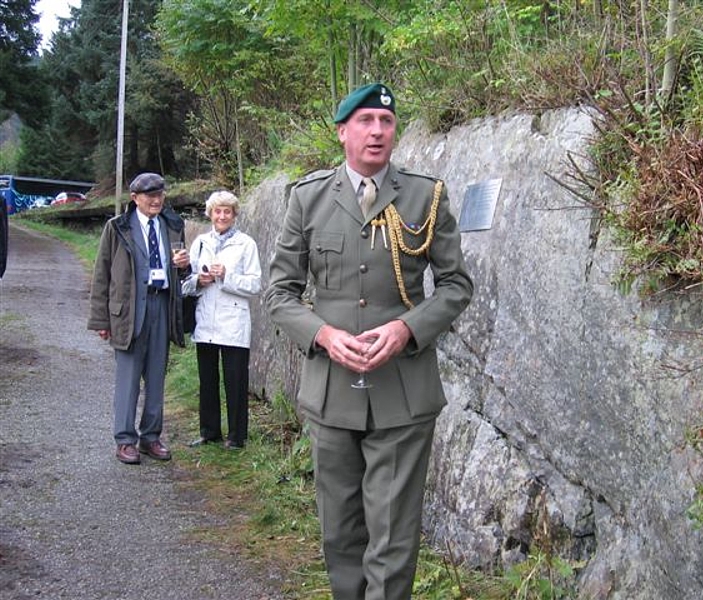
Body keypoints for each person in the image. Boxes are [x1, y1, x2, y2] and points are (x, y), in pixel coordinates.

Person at [266, 83, 473, 600]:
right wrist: (322, 333)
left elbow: (456, 285)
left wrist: (407, 328)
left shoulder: (426, 196)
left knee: (393, 537)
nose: (377, 130)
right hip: (332, 391)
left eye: (386, 120)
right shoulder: (308, 198)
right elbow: (280, 293)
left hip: (403, 392)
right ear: (342, 132)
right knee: (340, 532)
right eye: (365, 120)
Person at [88, 172, 190, 465]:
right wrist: (101, 321)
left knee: (156, 376)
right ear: (135, 199)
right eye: (150, 196)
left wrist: (183, 266)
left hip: (162, 306)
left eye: (160, 195)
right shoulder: (118, 228)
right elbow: (101, 274)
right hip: (130, 311)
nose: (156, 200)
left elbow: (179, 269)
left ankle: (150, 437)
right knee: (129, 378)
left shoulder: (172, 224)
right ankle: (124, 439)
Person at [182, 190, 262, 450]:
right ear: (210, 214)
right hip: (206, 318)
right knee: (207, 379)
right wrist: (199, 281)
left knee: (235, 380)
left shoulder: (246, 244)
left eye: (227, 211)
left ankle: (237, 437)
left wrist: (227, 276)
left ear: (234, 215)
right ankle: (209, 431)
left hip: (233, 320)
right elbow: (186, 283)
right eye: (217, 211)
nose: (222, 216)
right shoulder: (201, 243)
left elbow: (255, 284)